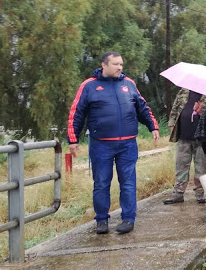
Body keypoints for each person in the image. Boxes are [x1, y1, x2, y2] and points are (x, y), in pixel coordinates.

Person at [67, 51, 159, 235]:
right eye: (115, 64)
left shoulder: (129, 84)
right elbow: (77, 113)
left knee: (128, 182)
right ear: (104, 65)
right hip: (101, 144)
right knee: (101, 183)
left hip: (128, 144)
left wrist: (153, 126)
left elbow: (142, 107)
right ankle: (101, 220)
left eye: (121, 65)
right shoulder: (89, 86)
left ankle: (128, 219)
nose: (119, 68)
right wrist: (73, 139)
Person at [164, 89, 206, 204]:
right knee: (181, 166)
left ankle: (200, 193)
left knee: (201, 167)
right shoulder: (183, 92)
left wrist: (201, 110)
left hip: (201, 138)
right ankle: (178, 193)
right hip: (183, 136)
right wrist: (172, 123)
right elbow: (175, 108)